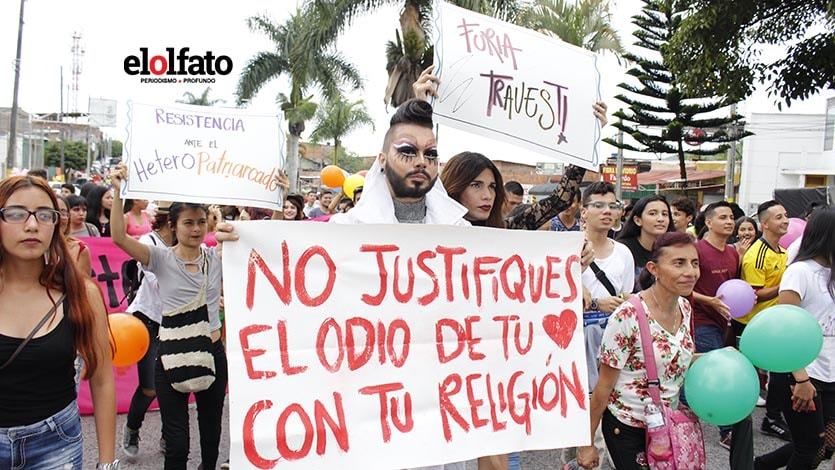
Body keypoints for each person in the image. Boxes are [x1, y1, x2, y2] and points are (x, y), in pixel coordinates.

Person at [110, 165, 227, 470]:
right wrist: (117, 190)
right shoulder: (159, 258)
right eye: (188, 222)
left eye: (201, 222)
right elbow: (119, 238)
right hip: (171, 353)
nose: (196, 229)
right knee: (176, 446)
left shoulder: (217, 258)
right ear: (174, 225)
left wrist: (277, 198)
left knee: (211, 436)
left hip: (212, 353)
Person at [0, 175, 117, 469]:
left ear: (56, 224)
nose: (31, 225)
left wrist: (106, 464)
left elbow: (102, 380)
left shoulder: (81, 293)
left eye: (44, 215)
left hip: (56, 446)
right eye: (15, 214)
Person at [578, 232, 700, 470]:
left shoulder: (684, 308)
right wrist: (586, 443)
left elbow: (674, 360)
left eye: (694, 263)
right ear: (653, 269)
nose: (690, 272)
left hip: (667, 426)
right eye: (679, 263)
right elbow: (603, 387)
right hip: (627, 427)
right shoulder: (628, 315)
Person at [755, 207, 835, 469]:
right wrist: (800, 378)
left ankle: (759, 466)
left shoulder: (831, 273)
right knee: (810, 447)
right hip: (802, 373)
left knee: (825, 444)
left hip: (830, 371)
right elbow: (785, 327)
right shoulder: (800, 271)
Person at [121, 202, 174, 459]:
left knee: (176, 384)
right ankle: (132, 428)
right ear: (170, 220)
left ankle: (169, 435)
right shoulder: (148, 241)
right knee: (150, 386)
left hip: (177, 322)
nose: (196, 227)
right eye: (188, 220)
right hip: (149, 320)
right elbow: (158, 282)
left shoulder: (192, 246)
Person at [739, 200, 791, 441]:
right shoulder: (757, 255)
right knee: (777, 369)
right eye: (778, 217)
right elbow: (754, 295)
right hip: (758, 324)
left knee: (781, 370)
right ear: (765, 224)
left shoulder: (782, 251)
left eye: (786, 216)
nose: (785, 221)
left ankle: (775, 415)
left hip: (777, 320)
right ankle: (769, 418)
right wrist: (787, 286)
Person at [690, 202, 738, 449]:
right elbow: (684, 288)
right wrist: (709, 301)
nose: (729, 221)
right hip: (701, 320)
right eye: (723, 217)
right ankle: (726, 430)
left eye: (731, 217)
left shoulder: (733, 252)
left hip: (724, 321)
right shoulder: (696, 250)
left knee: (699, 372)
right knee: (718, 372)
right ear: (708, 222)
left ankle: (682, 417)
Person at [617, 195, 675, 291]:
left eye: (665, 214)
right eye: (652, 214)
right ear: (637, 220)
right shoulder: (622, 249)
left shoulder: (674, 248)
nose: (660, 219)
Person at [57, 196, 93, 276]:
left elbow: (84, 284)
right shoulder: (31, 248)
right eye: (53, 212)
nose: (58, 218)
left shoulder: (79, 249)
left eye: (63, 213)